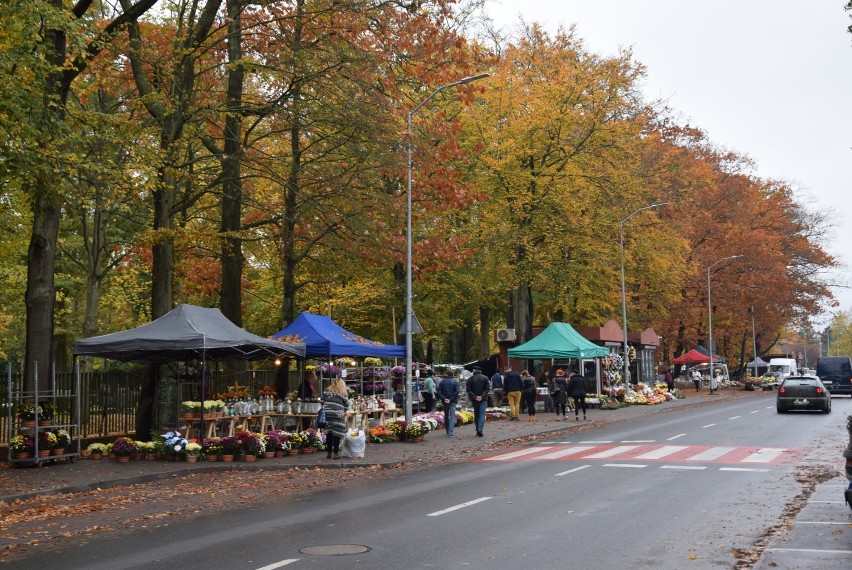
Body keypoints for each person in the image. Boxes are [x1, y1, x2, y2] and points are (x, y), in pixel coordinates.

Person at [321, 378, 349, 460]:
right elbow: (346, 405)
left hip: (327, 414)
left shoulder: (326, 391)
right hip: (337, 415)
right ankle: (336, 453)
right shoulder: (343, 393)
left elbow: (322, 401)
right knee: (336, 433)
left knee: (329, 432)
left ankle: (329, 452)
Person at [466, 366, 490, 437]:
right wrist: (482, 396)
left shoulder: (470, 379)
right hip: (484, 399)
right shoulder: (485, 378)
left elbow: (468, 390)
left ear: (474, 371)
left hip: (475, 400)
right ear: (480, 371)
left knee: (476, 414)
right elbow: (487, 388)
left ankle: (477, 429)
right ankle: (480, 429)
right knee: (482, 414)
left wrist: (475, 396)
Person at [436, 368, 460, 436]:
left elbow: (439, 391)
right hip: (453, 401)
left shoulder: (442, 382)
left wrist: (444, 399)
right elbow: (457, 391)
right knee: (452, 416)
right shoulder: (455, 382)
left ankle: (447, 430)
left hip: (445, 401)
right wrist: (451, 399)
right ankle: (451, 432)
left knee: (446, 415)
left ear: (446, 374)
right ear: (452, 374)